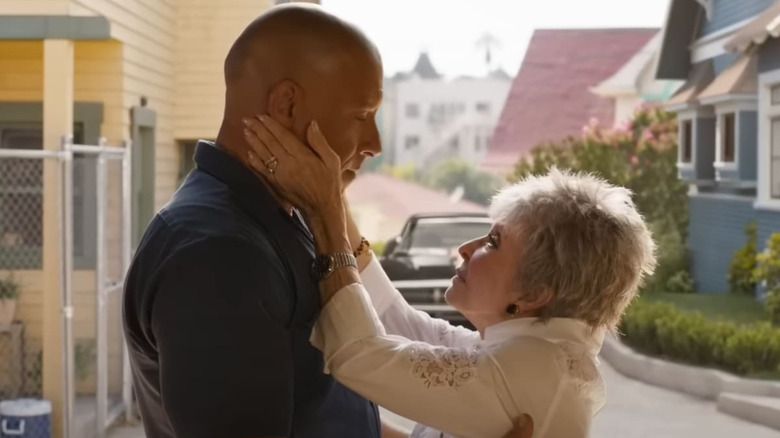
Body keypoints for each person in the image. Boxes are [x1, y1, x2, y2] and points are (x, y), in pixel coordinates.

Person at [122, 3, 534, 437]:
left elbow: (324, 413)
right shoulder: (217, 254)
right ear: (286, 105)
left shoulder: (286, 214)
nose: (375, 143)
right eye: (361, 116)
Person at [241, 115, 657, 438]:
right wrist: (335, 195)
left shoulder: (532, 368)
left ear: (535, 292)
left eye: (493, 242)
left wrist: (324, 209)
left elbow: (361, 356)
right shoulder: (531, 352)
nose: (465, 249)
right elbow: (398, 321)